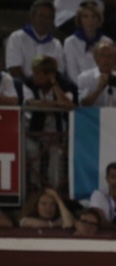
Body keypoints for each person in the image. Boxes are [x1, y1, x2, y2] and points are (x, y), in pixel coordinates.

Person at [23, 56, 75, 190]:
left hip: (56, 129)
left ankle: (54, 189)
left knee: (56, 155)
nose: (33, 76)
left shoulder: (65, 83)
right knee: (33, 152)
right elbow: (29, 102)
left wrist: (54, 85)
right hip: (33, 127)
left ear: (49, 75)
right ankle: (35, 186)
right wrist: (56, 104)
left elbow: (68, 104)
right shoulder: (29, 83)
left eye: (37, 73)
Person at [5, 0, 65, 81]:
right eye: (41, 16)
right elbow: (14, 68)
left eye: (48, 18)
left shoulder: (56, 44)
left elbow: (58, 71)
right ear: (32, 17)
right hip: (21, 87)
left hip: (48, 89)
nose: (44, 21)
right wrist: (31, 89)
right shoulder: (17, 37)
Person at [63, 1, 113, 85]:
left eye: (93, 16)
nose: (90, 20)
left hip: (103, 86)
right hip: (79, 88)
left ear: (98, 19)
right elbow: (72, 73)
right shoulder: (70, 42)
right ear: (80, 19)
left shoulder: (107, 42)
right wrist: (87, 88)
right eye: (85, 16)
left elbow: (109, 69)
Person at [78, 40, 116, 107]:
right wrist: (99, 89)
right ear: (95, 58)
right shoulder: (85, 77)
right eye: (103, 56)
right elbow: (83, 104)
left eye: (110, 56)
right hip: (92, 116)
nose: (106, 60)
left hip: (115, 116)